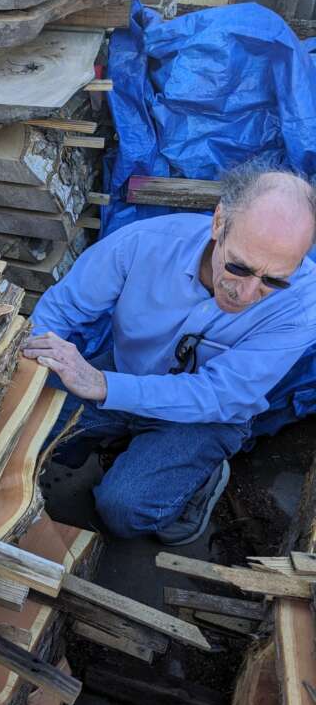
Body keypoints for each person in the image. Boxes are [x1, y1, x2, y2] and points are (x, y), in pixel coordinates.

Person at [22, 165, 316, 546]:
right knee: (24, 437)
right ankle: (130, 446)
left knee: (123, 512)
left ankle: (199, 478)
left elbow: (219, 396)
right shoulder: (145, 243)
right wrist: (32, 363)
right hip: (125, 375)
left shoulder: (305, 304)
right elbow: (61, 309)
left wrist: (104, 385)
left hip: (208, 416)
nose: (246, 294)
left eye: (273, 281)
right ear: (218, 222)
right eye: (238, 267)